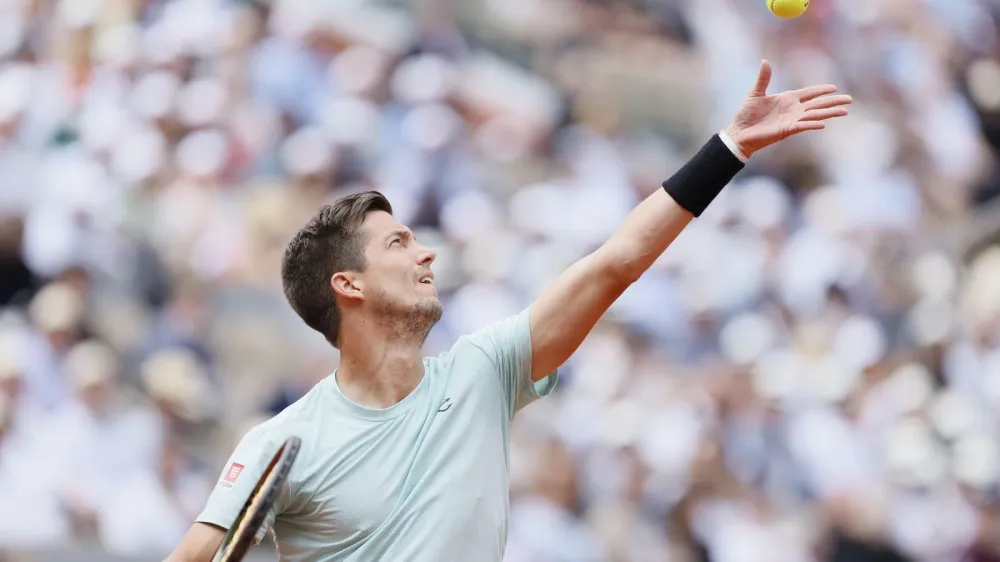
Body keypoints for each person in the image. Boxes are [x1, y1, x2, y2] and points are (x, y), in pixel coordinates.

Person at [164, 60, 852, 562]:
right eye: (399, 243)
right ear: (349, 285)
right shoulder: (284, 443)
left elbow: (614, 265)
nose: (426, 254)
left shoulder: (485, 369)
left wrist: (727, 150)